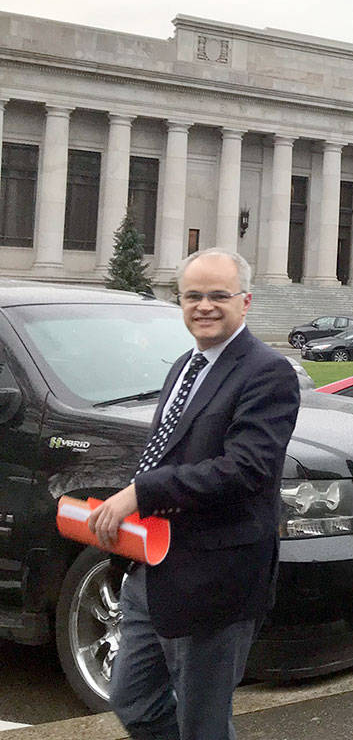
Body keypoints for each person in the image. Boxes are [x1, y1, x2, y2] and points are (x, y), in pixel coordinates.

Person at [87, 249, 300, 740]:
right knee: (133, 701)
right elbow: (170, 450)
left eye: (218, 296)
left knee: (203, 724)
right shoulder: (185, 364)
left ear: (245, 302)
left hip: (215, 579)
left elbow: (245, 469)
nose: (204, 306)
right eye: (193, 295)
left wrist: (141, 492)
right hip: (151, 567)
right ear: (179, 301)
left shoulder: (267, 371)